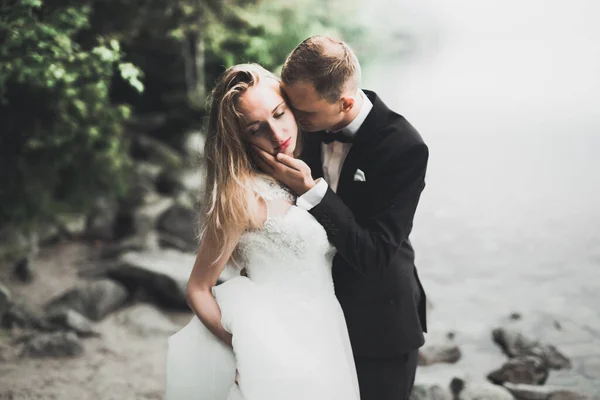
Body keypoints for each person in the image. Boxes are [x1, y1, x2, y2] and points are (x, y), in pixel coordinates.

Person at [164, 63, 360, 400]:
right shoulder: (241, 195)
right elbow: (198, 288)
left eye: (280, 113)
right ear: (240, 138)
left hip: (326, 332)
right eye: (257, 128)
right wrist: (245, 345)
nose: (276, 132)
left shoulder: (303, 173)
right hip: (274, 344)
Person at [255, 35, 429, 400]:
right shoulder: (303, 125)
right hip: (312, 317)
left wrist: (313, 192)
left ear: (345, 102)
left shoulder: (404, 148)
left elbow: (376, 253)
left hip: (379, 325)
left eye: (305, 114)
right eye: (291, 109)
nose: (293, 123)